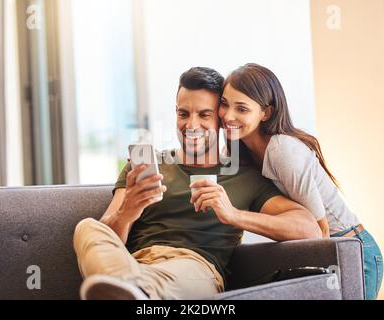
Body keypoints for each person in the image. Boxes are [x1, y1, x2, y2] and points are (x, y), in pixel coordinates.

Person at [73, 67, 321, 300]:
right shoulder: (144, 167)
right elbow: (106, 235)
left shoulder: (243, 177)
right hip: (131, 263)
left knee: (162, 280)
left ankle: (132, 291)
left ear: (221, 121)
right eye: (183, 114)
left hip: (194, 268)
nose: (191, 125)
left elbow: (308, 229)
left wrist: (234, 215)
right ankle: (131, 290)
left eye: (204, 115)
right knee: (87, 227)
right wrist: (127, 212)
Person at [219, 63, 383, 300]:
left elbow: (321, 232)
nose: (228, 116)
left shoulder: (281, 151)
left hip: (352, 250)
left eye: (242, 109)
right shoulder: (239, 152)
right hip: (331, 251)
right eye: (224, 104)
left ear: (266, 113)